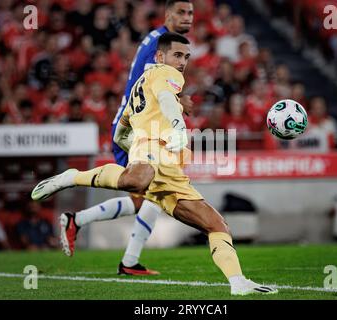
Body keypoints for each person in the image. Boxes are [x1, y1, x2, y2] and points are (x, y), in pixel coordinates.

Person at [32, 32, 277, 296]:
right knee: (135, 180)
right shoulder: (164, 75)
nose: (182, 62)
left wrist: (132, 145)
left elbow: (120, 133)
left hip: (168, 170)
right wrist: (175, 127)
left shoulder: (142, 84)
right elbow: (165, 99)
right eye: (177, 55)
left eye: (186, 56)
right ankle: (71, 177)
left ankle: (238, 282)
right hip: (153, 150)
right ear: (160, 56)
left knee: (216, 225)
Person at [46, 0, 195, 276]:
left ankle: (126, 258)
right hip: (136, 129)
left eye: (191, 13)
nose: (187, 18)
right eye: (181, 12)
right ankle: (78, 219)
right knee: (149, 192)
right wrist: (180, 102)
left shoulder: (160, 41)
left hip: (142, 126)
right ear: (167, 14)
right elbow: (154, 84)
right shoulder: (159, 46)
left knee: (153, 195)